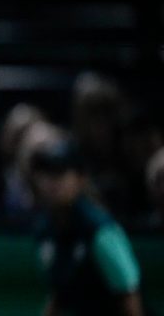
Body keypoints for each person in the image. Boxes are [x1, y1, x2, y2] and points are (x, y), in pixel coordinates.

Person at [26, 130, 147, 316]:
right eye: (45, 172)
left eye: (60, 172)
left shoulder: (101, 231)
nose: (51, 182)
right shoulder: (45, 230)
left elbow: (129, 295)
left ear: (80, 179)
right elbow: (60, 293)